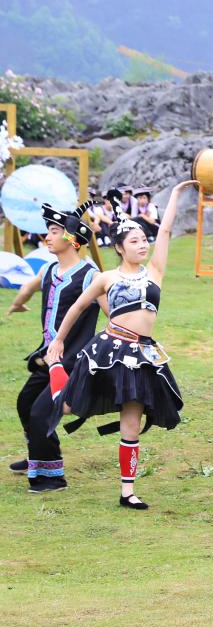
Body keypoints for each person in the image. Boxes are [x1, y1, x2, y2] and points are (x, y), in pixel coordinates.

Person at [44, 181, 195, 510]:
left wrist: (175, 195)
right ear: (120, 248)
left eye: (143, 240)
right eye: (135, 241)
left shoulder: (154, 272)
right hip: (108, 351)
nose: (142, 245)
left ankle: (128, 492)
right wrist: (57, 342)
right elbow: (77, 307)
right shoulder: (106, 278)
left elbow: (165, 231)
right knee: (68, 407)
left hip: (141, 354)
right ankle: (56, 372)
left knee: (132, 422)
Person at [6, 201, 106, 493]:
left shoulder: (90, 276)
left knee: (41, 413)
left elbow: (112, 313)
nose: (47, 237)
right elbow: (29, 287)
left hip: (71, 362)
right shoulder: (49, 269)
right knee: (25, 403)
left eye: (53, 231)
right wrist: (17, 303)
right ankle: (37, 453)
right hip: (48, 357)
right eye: (47, 231)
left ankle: (52, 477)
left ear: (71, 238)